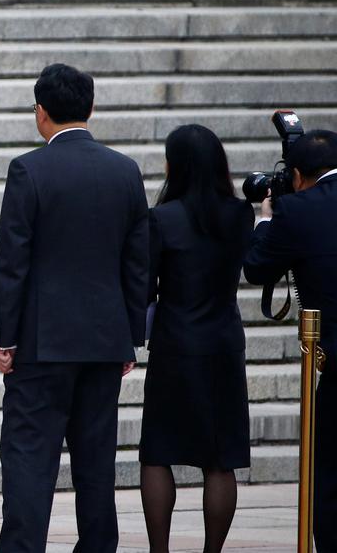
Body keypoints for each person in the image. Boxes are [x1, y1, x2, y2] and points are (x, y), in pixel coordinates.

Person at [0, 63, 150, 553]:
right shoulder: (125, 170)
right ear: (91, 107)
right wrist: (130, 335)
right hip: (105, 340)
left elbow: (12, 261)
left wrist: (6, 338)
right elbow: (136, 262)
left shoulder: (29, 169)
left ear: (40, 112)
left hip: (43, 340)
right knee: (96, 459)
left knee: (29, 458)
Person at [139, 125, 253, 553]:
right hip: (224, 341)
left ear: (178, 165)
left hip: (175, 344)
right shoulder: (240, 215)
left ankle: (159, 551)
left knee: (158, 451)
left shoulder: (163, 218)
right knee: (220, 459)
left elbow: (145, 288)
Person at [244, 129, 337, 553]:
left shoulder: (299, 210)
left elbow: (258, 267)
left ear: (298, 174)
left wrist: (265, 220)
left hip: (333, 355)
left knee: (329, 476)